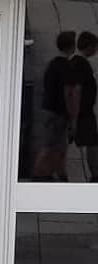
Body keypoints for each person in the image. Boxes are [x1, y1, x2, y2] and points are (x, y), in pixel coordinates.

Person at [32, 31, 77, 181]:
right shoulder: (67, 67)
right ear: (72, 46)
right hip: (58, 112)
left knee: (56, 146)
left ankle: (59, 175)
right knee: (52, 145)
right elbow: (68, 93)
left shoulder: (52, 65)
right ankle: (38, 176)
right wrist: (73, 116)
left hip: (49, 109)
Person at [68, 30, 98, 181]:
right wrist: (75, 116)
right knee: (92, 145)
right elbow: (77, 90)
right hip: (83, 113)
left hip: (81, 111)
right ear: (90, 46)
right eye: (95, 46)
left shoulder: (75, 62)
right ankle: (95, 176)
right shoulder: (82, 64)